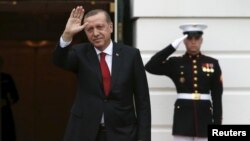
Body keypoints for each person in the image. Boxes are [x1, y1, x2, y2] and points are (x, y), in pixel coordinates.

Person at [53, 6, 151, 141]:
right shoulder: (79, 53)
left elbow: (143, 101)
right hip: (85, 131)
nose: (95, 33)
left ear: (110, 27)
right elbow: (59, 61)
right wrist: (67, 34)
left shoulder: (131, 55)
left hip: (123, 133)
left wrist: (143, 137)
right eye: (89, 29)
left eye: (100, 27)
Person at [145, 23, 223, 141]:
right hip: (183, 117)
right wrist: (171, 47)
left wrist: (217, 124)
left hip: (205, 117)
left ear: (201, 40)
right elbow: (150, 66)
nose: (193, 42)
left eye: (196, 38)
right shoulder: (176, 63)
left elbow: (217, 96)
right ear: (184, 41)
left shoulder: (212, 63)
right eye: (189, 38)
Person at [0, 56, 20, 141]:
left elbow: (15, 96)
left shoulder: (6, 78)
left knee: (6, 134)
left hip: (4, 112)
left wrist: (6, 102)